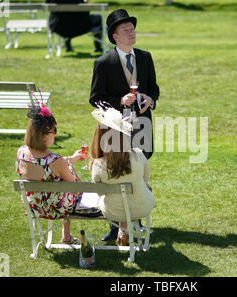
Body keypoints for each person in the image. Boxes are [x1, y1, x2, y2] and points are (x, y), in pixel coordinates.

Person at [89, 9, 159, 241]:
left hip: (142, 124)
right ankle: (115, 226)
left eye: (132, 29)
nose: (132, 33)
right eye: (126, 30)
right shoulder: (103, 63)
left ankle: (134, 220)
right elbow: (95, 98)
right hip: (115, 129)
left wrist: (150, 99)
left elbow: (154, 87)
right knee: (116, 171)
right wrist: (119, 100)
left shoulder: (146, 57)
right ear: (115, 36)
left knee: (138, 171)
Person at [16, 103, 86, 244]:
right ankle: (66, 236)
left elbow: (40, 162)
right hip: (56, 208)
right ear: (43, 136)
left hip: (34, 206)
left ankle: (66, 236)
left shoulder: (21, 152)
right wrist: (68, 164)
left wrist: (68, 159)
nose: (55, 133)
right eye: (54, 130)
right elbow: (75, 189)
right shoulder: (56, 161)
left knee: (63, 172)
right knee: (69, 181)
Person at [89, 112, 154, 246]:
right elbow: (145, 179)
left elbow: (99, 192)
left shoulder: (99, 164)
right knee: (130, 191)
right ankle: (122, 231)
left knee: (110, 196)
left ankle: (121, 230)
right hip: (141, 207)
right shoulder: (138, 155)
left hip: (113, 212)